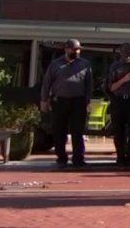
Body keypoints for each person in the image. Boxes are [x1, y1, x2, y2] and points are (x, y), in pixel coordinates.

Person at [40, 38, 93, 167]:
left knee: (78, 131)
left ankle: (78, 158)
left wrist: (88, 100)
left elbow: (89, 84)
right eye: (74, 49)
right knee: (59, 131)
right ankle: (61, 157)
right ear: (66, 49)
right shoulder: (55, 64)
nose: (76, 51)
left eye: (78, 49)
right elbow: (47, 83)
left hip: (78, 101)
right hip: (60, 101)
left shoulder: (84, 64)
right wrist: (44, 100)